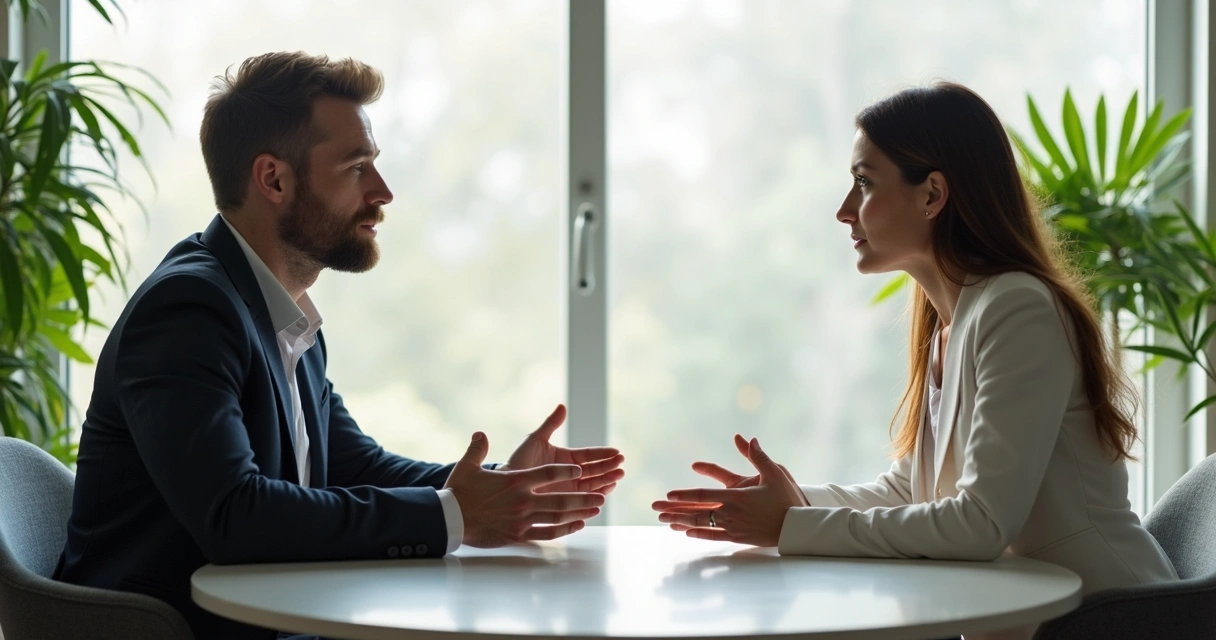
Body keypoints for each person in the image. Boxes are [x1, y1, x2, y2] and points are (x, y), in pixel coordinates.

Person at [54, 51, 625, 640]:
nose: (383, 191)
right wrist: (458, 515)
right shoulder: (187, 312)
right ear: (273, 178)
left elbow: (355, 466)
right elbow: (235, 516)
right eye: (356, 167)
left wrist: (500, 486)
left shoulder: (283, 314)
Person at [653, 82, 1178, 639]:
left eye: (863, 182)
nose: (843, 210)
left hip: (1112, 619)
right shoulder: (952, 322)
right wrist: (786, 500)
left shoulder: (1017, 308)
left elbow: (981, 524)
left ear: (931, 195)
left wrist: (792, 524)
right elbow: (910, 492)